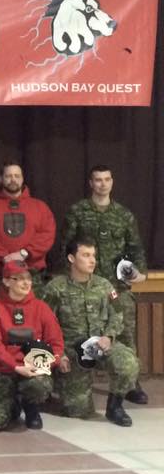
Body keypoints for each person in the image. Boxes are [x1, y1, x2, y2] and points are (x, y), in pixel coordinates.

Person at [61, 165, 148, 404]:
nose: (102, 184)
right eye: (98, 180)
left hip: (116, 287)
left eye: (107, 179)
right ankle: (72, 380)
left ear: (112, 182)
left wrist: (141, 274)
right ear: (91, 183)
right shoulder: (77, 212)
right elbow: (66, 247)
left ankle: (131, 383)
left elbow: (135, 248)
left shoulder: (124, 215)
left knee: (126, 335)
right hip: (84, 287)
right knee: (77, 334)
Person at [43, 238, 140, 427]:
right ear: (71, 258)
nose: (92, 260)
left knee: (128, 363)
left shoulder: (105, 286)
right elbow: (44, 323)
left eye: (93, 255)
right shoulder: (56, 288)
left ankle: (115, 406)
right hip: (71, 348)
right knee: (77, 410)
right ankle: (57, 387)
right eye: (86, 255)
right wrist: (58, 354)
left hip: (101, 343)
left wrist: (109, 336)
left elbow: (118, 313)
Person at [0, 259, 64, 432]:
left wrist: (45, 365)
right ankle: (12, 404)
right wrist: (16, 366)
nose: (26, 283)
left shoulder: (41, 307)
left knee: (38, 385)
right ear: (7, 281)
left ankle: (31, 407)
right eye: (19, 278)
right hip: (3, 370)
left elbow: (57, 344)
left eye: (28, 278)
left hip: (32, 371)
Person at [0, 162, 56, 302]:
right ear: (1, 179)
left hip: (31, 274)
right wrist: (5, 257)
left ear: (23, 178)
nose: (13, 180)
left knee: (34, 319)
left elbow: (47, 235)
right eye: (8, 176)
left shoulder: (40, 207)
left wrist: (24, 253)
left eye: (17, 176)